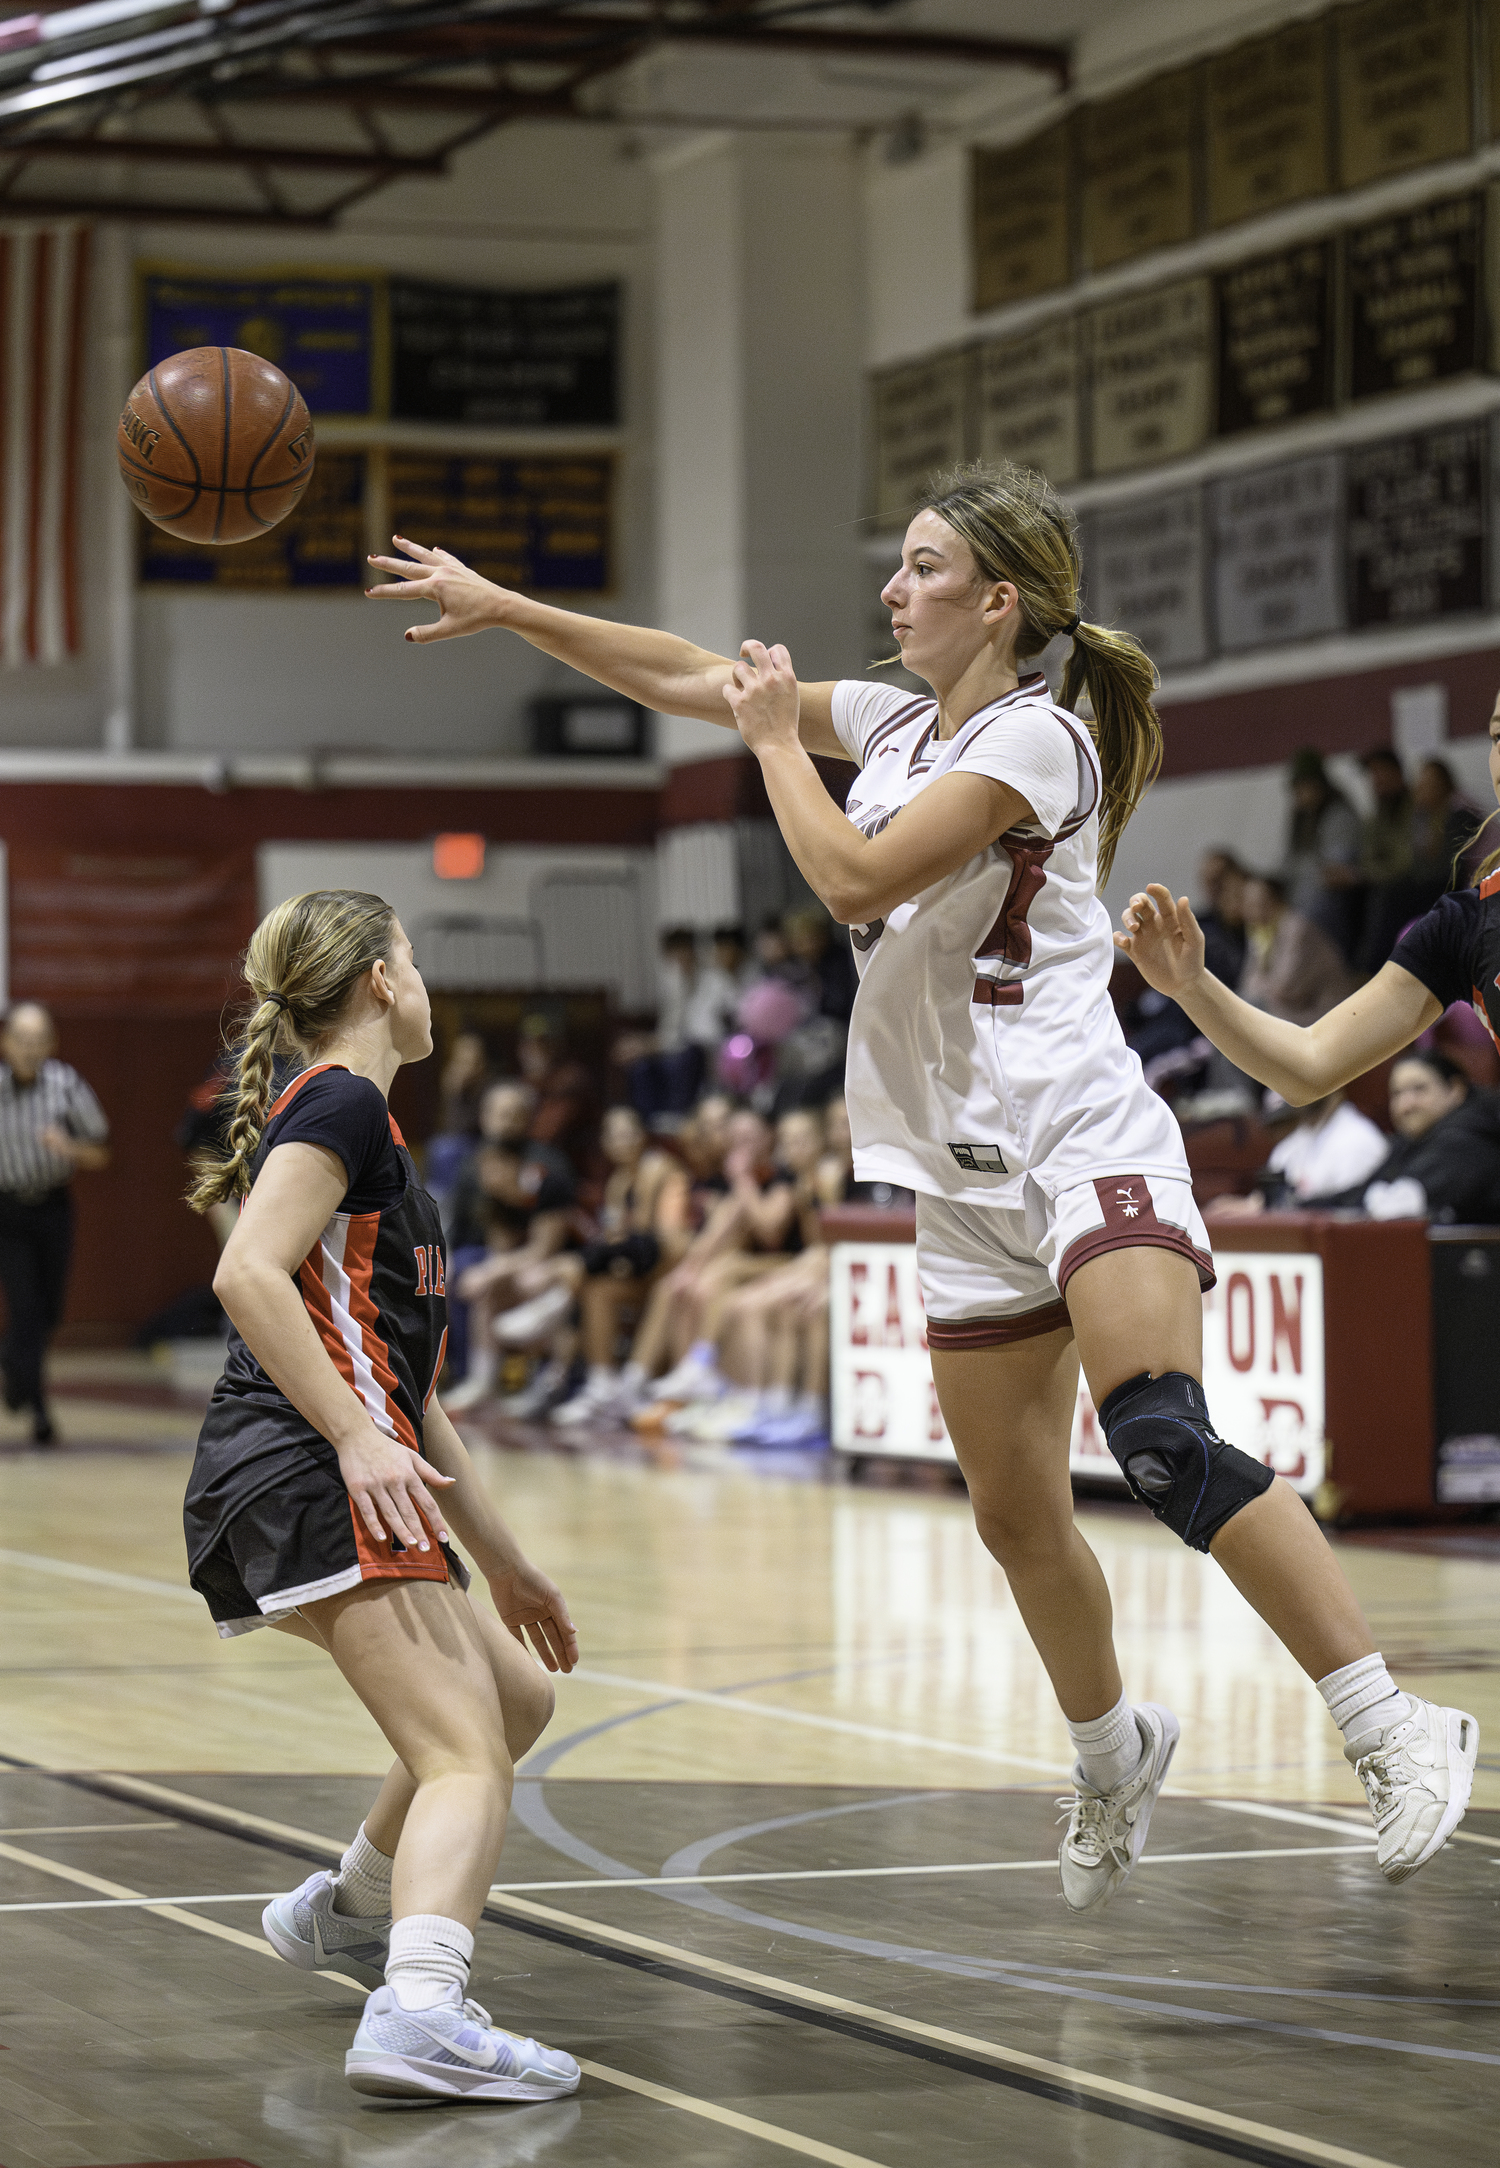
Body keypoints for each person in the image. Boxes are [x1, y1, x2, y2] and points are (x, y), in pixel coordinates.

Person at [364, 462, 1471, 1904]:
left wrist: (769, 746)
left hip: (1083, 1137)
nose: (893, 591)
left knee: (1161, 1439)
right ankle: (1111, 1747)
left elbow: (850, 881)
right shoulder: (893, 719)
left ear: (999, 601)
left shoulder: (1041, 743)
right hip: (958, 1176)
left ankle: (1391, 1726)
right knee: (1014, 1517)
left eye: (924, 567)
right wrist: (509, 608)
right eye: (897, 566)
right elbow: (692, 677)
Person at [181, 889, 580, 2103]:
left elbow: (411, 1392)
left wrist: (502, 1558)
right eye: (413, 957)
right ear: (374, 983)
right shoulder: (344, 1100)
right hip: (301, 1463)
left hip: (323, 1462)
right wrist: (354, 1437)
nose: (425, 979)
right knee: (465, 1753)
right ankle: (420, 2008)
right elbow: (243, 1270)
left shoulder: (375, 1140)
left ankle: (348, 1913)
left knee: (512, 1699)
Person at [0, 1002, 109, 1445]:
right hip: (6, 1211)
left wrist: (69, 1147)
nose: (28, 1050)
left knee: (49, 1311)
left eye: (36, 1041)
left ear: (50, 1044)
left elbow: (101, 1153)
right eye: (19, 1041)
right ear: (6, 1043)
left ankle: (14, 1365)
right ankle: (37, 1406)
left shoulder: (66, 1086)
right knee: (25, 1306)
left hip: (52, 1208)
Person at [548, 1105, 692, 1426]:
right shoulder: (618, 1181)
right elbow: (618, 1238)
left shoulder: (661, 1169)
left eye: (628, 1133)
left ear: (643, 1137)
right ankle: (602, 1384)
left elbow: (667, 1243)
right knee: (598, 1289)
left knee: (590, 1272)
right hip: (642, 1269)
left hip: (670, 1267)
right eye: (612, 1135)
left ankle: (628, 1384)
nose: (620, 1141)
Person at [1297, 1050, 1500, 1224]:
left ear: (1455, 1089)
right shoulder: (1407, 1145)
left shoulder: (1470, 1139)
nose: (1406, 1105)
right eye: (1397, 1094)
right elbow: (1358, 1196)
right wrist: (1293, 1207)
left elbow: (1394, 1202)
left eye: (1418, 1089)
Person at [1205, 1089, 1388, 1218]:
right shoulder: (1294, 1142)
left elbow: (1348, 1213)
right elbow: (1267, 1199)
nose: (1298, 1084)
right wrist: (1249, 1206)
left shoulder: (1360, 1140)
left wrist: (1264, 1210)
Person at [1239, 872, 1356, 1028]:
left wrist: (1260, 985)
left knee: (1251, 1017)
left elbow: (1285, 987)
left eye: (1252, 904)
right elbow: (1247, 982)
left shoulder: (1296, 928)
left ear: (1272, 901)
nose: (1245, 911)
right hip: (1292, 1009)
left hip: (1323, 1013)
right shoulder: (1260, 933)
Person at [1283, 747, 1361, 956]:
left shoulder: (1339, 817)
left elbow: (1334, 872)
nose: (1298, 795)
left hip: (1331, 908)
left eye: (1303, 787)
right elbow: (1289, 867)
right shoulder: (1302, 821)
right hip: (1301, 907)